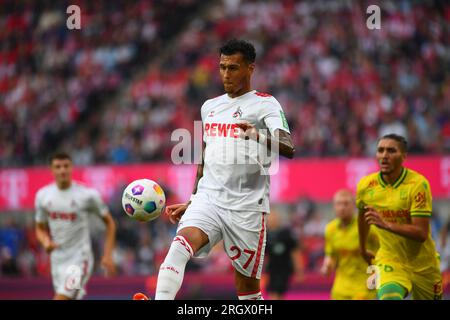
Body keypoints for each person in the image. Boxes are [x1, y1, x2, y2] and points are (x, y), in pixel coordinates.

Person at [136, 39, 295, 300]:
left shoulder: (266, 104)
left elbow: (289, 146)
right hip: (208, 200)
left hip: (247, 208)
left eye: (233, 68)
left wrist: (258, 136)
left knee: (248, 294)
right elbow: (205, 158)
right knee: (179, 246)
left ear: (250, 68)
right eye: (222, 67)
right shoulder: (210, 107)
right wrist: (192, 199)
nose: (226, 74)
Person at [357, 134, 442, 300]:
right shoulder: (366, 186)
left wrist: (386, 224)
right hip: (390, 260)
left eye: (391, 151)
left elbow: (421, 233)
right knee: (389, 297)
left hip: (424, 264)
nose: (384, 156)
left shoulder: (418, 184)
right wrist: (362, 248)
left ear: (403, 156)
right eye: (380, 150)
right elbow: (363, 218)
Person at [35, 151, 117, 300]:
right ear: (51, 169)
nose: (62, 170)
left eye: (66, 166)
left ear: (71, 167)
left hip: (79, 258)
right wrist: (45, 241)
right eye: (58, 167)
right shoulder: (43, 196)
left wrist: (108, 255)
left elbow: (110, 223)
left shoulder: (87, 195)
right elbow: (39, 227)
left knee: (62, 297)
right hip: (57, 259)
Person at [321, 189, 378, 300]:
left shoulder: (367, 226)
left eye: (346, 203)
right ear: (334, 206)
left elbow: (384, 250)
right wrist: (326, 266)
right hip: (341, 286)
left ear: (353, 206)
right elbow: (331, 254)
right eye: (339, 204)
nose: (342, 207)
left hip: (365, 284)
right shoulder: (330, 229)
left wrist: (378, 273)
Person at [265, 210, 303, 300]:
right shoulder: (265, 235)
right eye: (269, 218)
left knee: (277, 293)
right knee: (274, 294)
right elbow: (263, 255)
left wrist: (299, 270)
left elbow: (295, 252)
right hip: (271, 270)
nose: (271, 220)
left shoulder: (286, 233)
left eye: (274, 218)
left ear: (278, 219)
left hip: (283, 269)